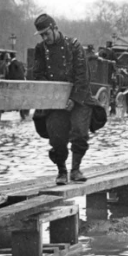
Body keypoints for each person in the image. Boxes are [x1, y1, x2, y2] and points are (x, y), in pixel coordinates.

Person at [32, 14, 106, 185]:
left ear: (55, 28)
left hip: (79, 97)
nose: (45, 38)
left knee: (80, 131)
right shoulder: (40, 50)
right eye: (41, 35)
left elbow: (82, 76)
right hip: (56, 101)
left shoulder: (74, 46)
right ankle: (61, 171)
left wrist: (73, 99)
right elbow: (38, 74)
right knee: (56, 136)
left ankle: (76, 169)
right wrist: (53, 94)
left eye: (46, 34)